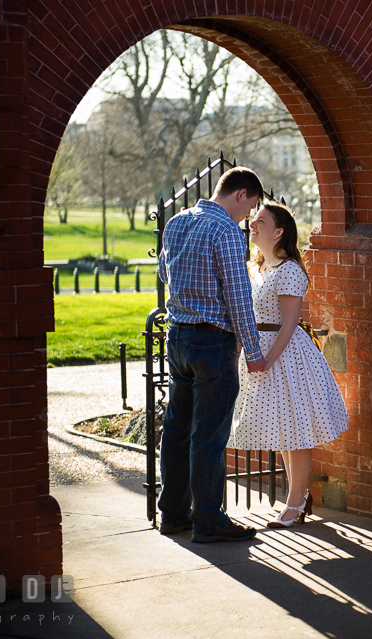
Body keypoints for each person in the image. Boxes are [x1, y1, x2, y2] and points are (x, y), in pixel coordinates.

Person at [156, 167, 268, 543]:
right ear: (240, 194)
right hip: (213, 341)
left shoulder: (176, 222)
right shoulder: (225, 231)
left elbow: (164, 274)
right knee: (209, 434)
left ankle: (172, 514)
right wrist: (253, 350)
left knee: (176, 429)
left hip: (178, 336)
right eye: (251, 207)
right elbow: (238, 298)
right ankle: (208, 520)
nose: (249, 216)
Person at [230, 201, 349, 528]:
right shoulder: (256, 268)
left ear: (279, 231)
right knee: (283, 429)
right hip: (259, 351)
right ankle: (298, 497)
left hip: (285, 355)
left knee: (295, 429)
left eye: (261, 221)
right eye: (253, 220)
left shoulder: (289, 270)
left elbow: (290, 323)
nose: (252, 225)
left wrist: (267, 359)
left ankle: (296, 501)